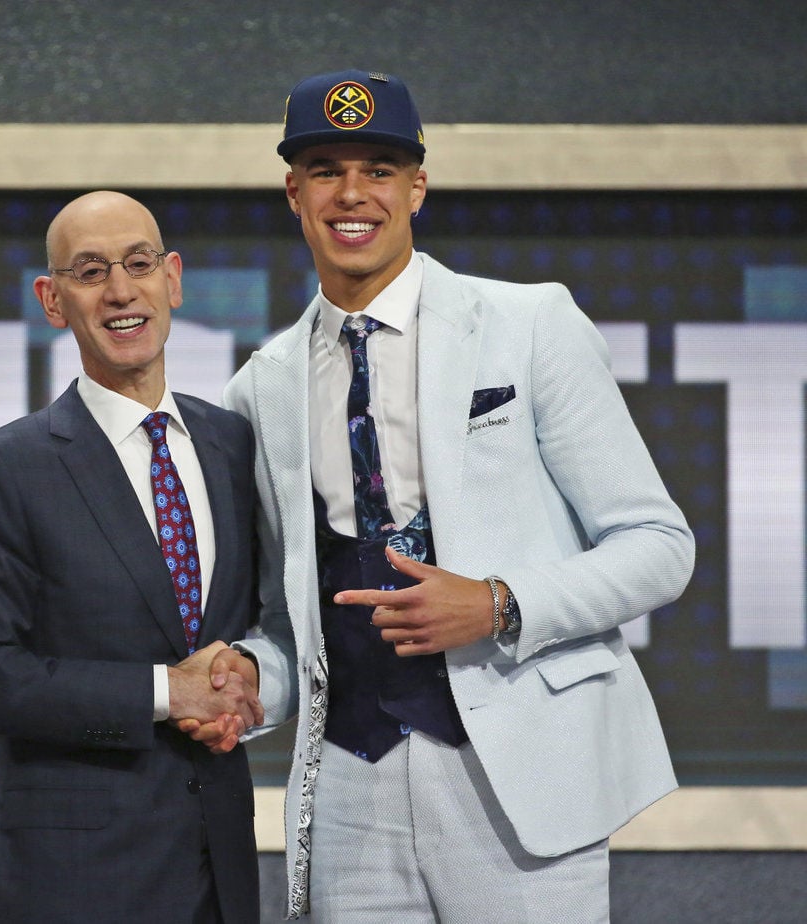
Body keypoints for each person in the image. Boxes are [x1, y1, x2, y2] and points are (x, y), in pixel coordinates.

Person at [201, 70, 696, 921]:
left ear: (417, 186)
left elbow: (658, 544)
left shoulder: (529, 324)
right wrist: (248, 679)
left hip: (516, 776)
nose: (353, 193)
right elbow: (294, 618)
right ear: (293, 192)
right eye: (325, 169)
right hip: (349, 788)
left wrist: (499, 603)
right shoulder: (262, 387)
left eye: (380, 168)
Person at [0, 190, 263, 924]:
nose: (121, 291)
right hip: (71, 882)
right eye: (90, 272)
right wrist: (164, 694)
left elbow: (263, 626)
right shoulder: (4, 468)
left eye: (139, 263)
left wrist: (245, 675)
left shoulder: (235, 447)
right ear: (53, 300)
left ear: (172, 279)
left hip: (220, 870)